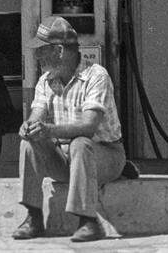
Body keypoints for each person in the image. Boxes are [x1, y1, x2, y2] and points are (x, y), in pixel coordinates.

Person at [13, 16, 125, 244]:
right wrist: (29, 128)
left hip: (104, 154)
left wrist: (49, 130)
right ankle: (33, 218)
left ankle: (88, 221)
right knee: (29, 143)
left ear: (60, 51)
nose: (37, 57)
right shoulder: (45, 81)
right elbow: (36, 117)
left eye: (42, 50)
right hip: (67, 159)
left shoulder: (96, 75)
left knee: (81, 143)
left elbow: (88, 126)